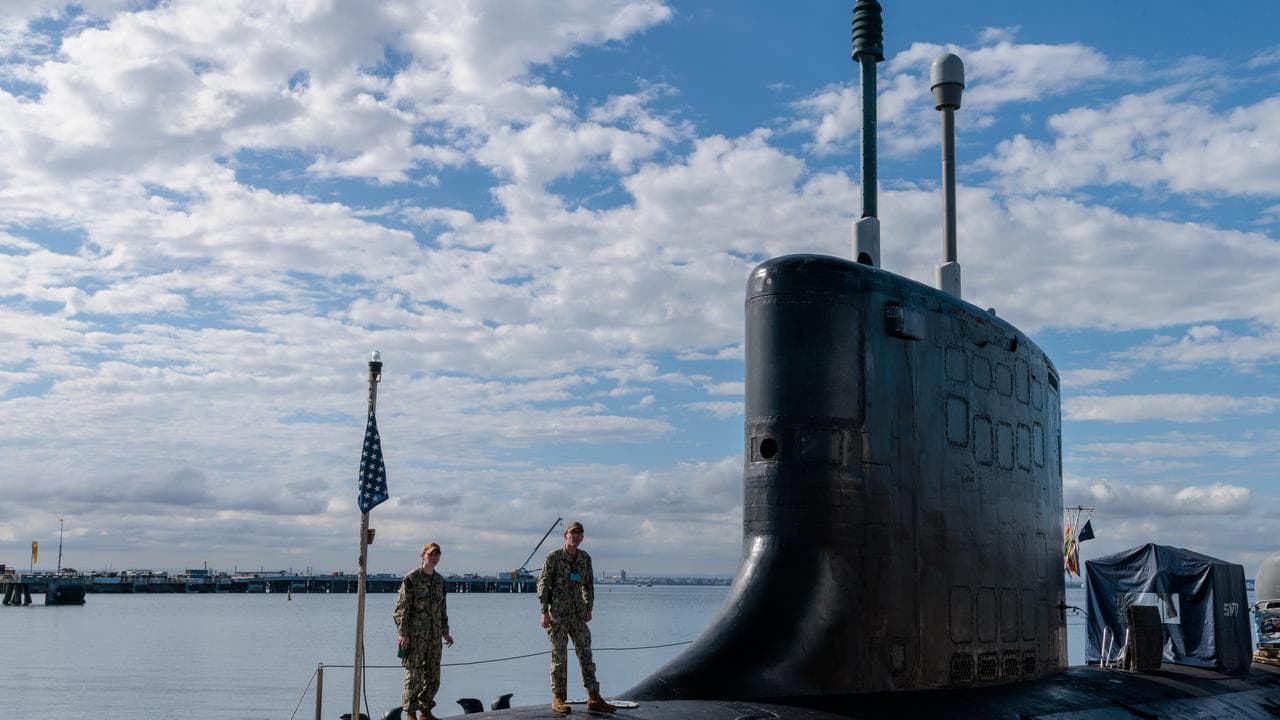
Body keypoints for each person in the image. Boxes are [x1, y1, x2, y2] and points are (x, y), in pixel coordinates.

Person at [537, 521, 617, 714]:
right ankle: (558, 699)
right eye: (573, 533)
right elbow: (543, 584)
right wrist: (544, 611)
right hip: (557, 615)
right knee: (559, 658)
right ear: (566, 535)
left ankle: (594, 697)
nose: (576, 536)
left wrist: (589, 608)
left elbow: (588, 585)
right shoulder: (553, 557)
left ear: (582, 537)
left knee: (586, 654)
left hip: (578, 615)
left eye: (579, 533)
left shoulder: (584, 558)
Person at [394, 542, 454, 720]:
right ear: (423, 556)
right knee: (414, 678)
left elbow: (442, 609)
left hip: (435, 638)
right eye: (430, 554)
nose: (433, 558)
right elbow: (401, 609)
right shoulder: (411, 579)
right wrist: (403, 634)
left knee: (434, 678)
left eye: (437, 555)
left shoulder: (439, 581)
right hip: (415, 637)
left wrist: (445, 632)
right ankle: (410, 713)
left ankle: (425, 711)